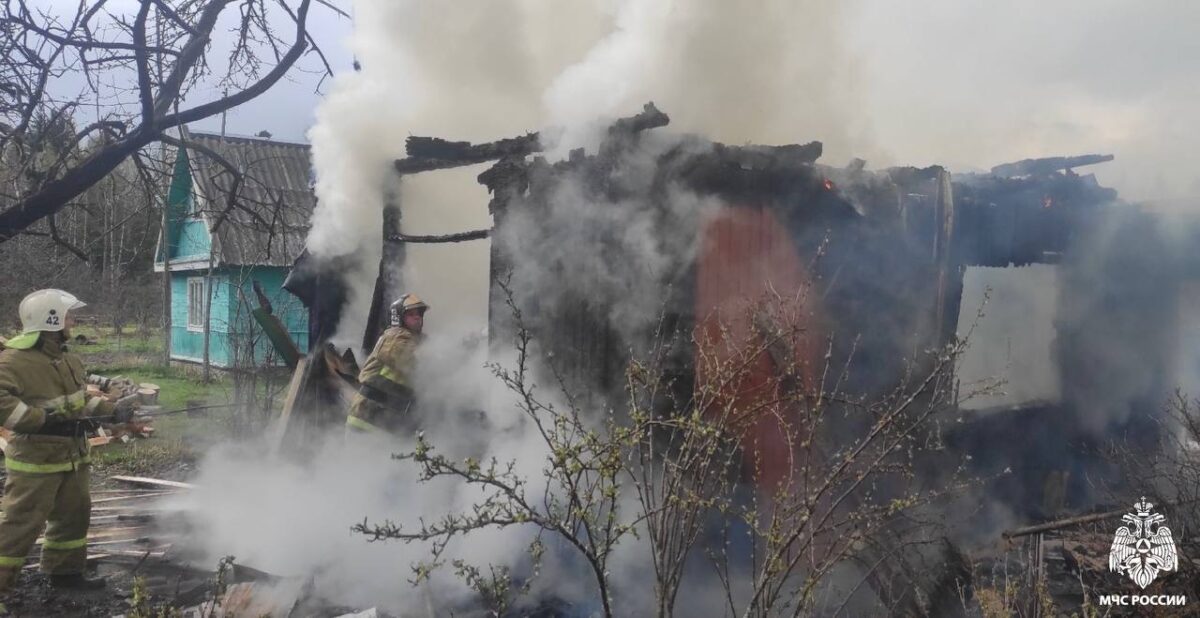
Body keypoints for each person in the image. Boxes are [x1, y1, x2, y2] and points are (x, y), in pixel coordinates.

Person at [0, 290, 136, 592]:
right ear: (52, 320)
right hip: (35, 460)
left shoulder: (67, 359)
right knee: (20, 526)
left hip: (73, 457)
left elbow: (79, 400)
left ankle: (66, 575)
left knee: (73, 518)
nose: (72, 321)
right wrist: (38, 419)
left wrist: (113, 411)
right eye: (67, 316)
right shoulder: (13, 361)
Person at [346, 293, 428, 435]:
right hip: (367, 420)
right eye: (411, 314)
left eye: (419, 314)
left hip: (385, 420)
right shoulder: (394, 338)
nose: (417, 317)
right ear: (399, 317)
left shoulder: (414, 341)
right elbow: (417, 365)